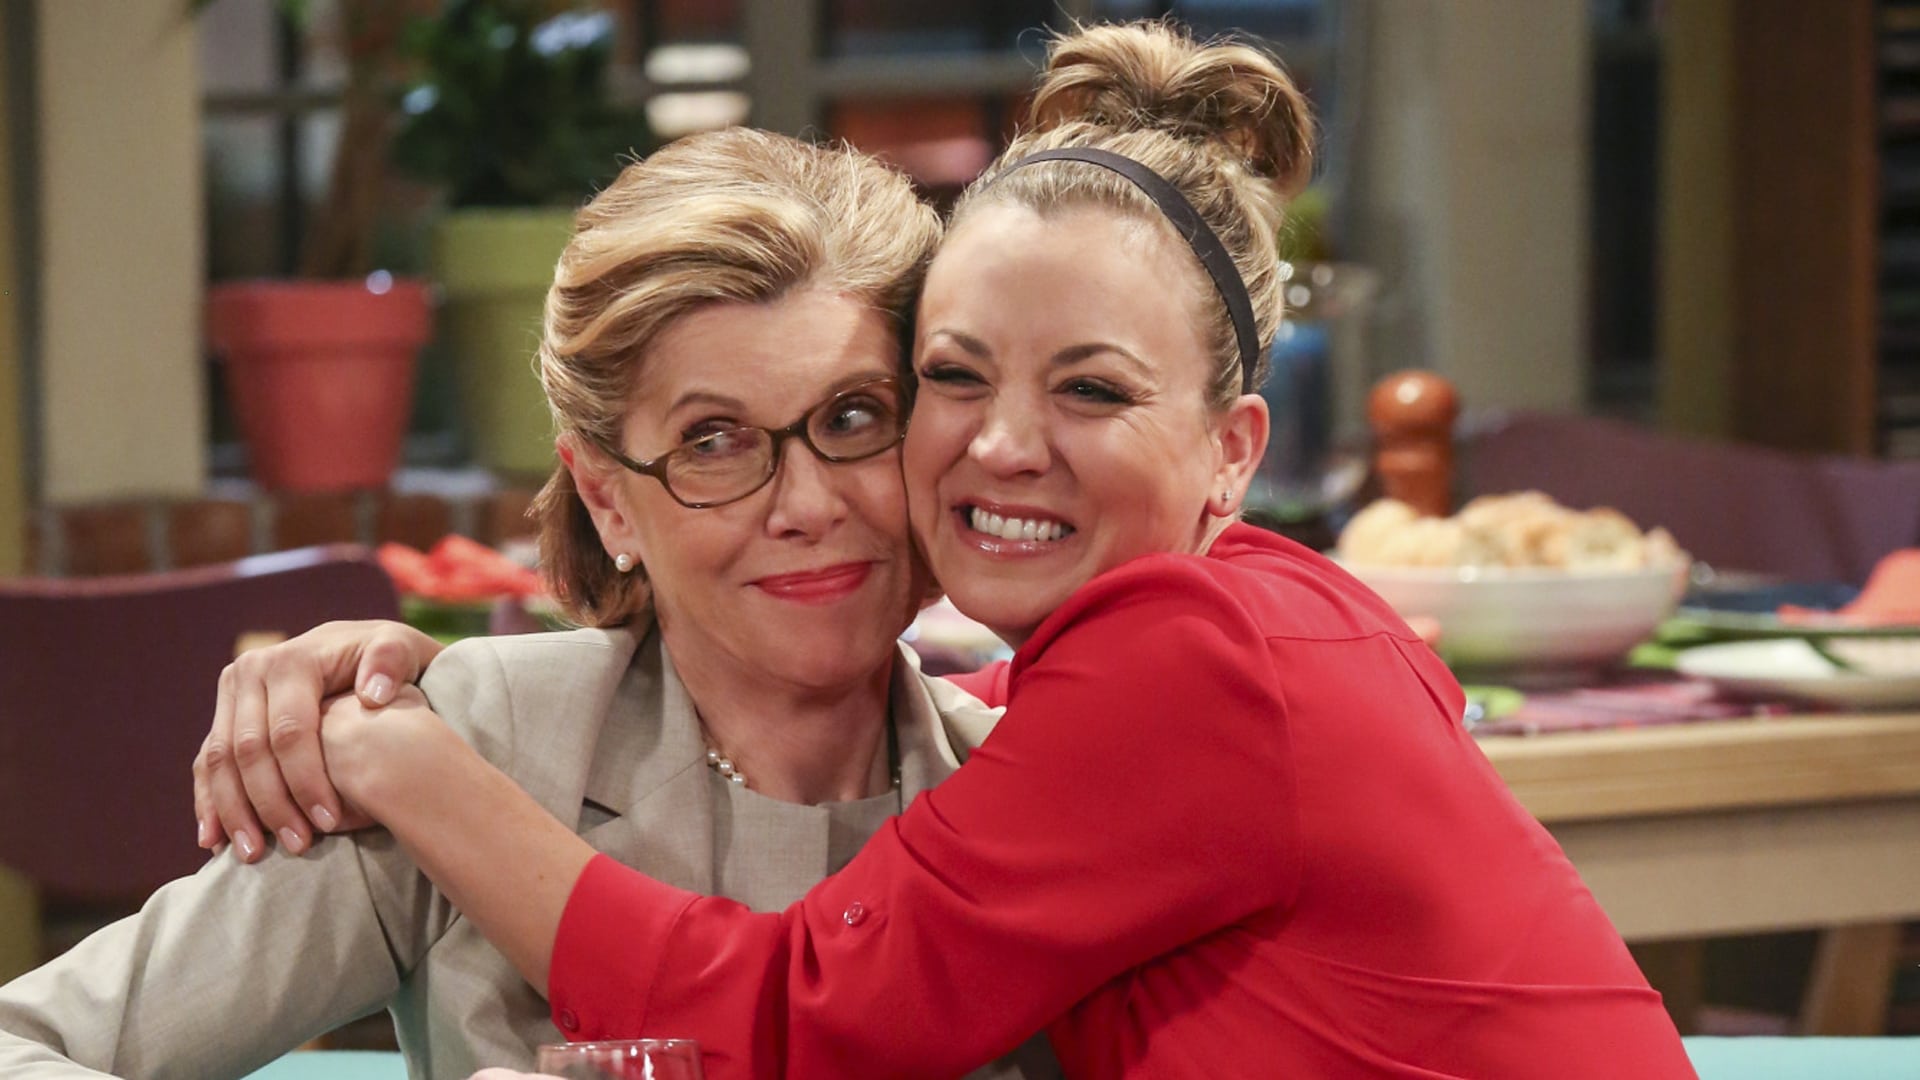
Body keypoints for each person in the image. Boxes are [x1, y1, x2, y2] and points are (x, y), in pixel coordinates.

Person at [203, 21, 1695, 1080]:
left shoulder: (1189, 657)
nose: (1001, 446)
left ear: (1234, 452)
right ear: (607, 492)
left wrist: (408, 761)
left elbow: (793, 1017)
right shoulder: (1229, 632)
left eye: (1092, 390)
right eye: (955, 378)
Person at [0, 127, 1057, 1080]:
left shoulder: (1030, 795)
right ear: (608, 499)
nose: (809, 505)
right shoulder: (469, 744)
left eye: (855, 416)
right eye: (713, 441)